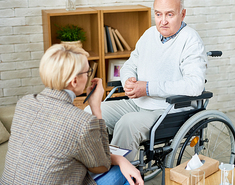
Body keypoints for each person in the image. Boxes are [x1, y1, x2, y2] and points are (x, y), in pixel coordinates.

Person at [85, 0, 208, 161]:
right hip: (138, 103)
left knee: (127, 124)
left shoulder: (190, 40)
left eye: (169, 15)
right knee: (89, 112)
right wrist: (128, 80)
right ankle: (93, 165)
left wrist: (148, 88)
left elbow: (195, 85)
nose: (162, 21)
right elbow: (129, 64)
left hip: (167, 110)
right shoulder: (149, 34)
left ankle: (117, 176)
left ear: (183, 14)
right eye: (158, 14)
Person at [0, 44, 143, 185]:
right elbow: (102, 165)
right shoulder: (82, 122)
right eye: (88, 72)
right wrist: (96, 109)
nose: (89, 76)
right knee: (128, 173)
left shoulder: (24, 103)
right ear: (74, 81)